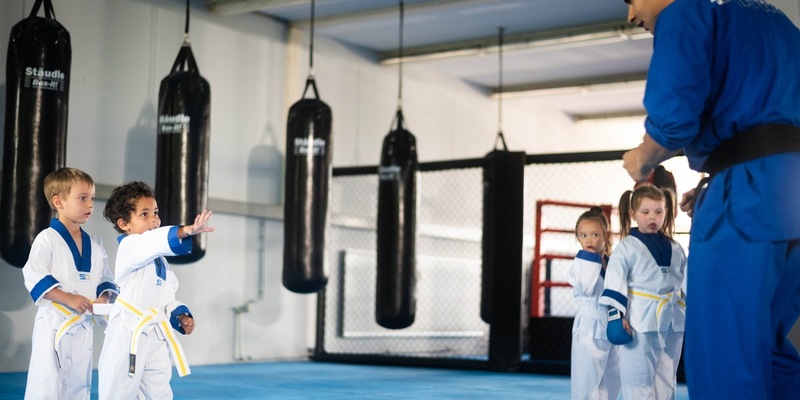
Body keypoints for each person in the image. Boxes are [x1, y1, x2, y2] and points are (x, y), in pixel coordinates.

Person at [620, 0, 800, 398]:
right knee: (769, 348)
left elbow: (673, 120)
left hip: (746, 197)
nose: (631, 15)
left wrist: (641, 158)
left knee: (725, 350)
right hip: (788, 189)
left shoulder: (684, 13)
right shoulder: (774, 19)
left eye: (631, 0)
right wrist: (721, 173)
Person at [97, 181, 214, 400]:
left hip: (156, 335)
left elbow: (167, 300)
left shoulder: (162, 264)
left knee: (158, 392)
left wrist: (180, 316)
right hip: (129, 332)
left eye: (156, 213)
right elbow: (151, 242)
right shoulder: (129, 248)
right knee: (119, 392)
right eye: (144, 214)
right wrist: (186, 230)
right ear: (124, 224)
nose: (154, 219)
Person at [21, 167, 118, 399]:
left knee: (78, 385)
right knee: (47, 384)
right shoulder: (47, 239)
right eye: (82, 198)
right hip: (54, 325)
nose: (90, 204)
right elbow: (34, 274)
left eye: (92, 198)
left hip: (82, 325)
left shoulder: (95, 243)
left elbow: (105, 279)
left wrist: (103, 299)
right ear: (59, 201)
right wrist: (68, 298)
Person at [598, 185, 685, 399]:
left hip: (673, 319)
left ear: (667, 213)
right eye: (645, 212)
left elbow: (684, 283)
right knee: (637, 378)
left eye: (658, 211)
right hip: (640, 320)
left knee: (667, 377)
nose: (652, 217)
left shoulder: (676, 247)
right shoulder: (626, 248)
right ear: (633, 214)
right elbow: (615, 281)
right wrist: (616, 317)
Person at [567, 206, 620, 400]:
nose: (589, 239)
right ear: (577, 238)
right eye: (583, 235)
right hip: (589, 329)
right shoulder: (581, 264)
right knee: (587, 383)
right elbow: (587, 288)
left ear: (605, 235)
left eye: (595, 234)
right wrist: (591, 258)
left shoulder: (613, 262)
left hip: (612, 326)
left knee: (611, 380)